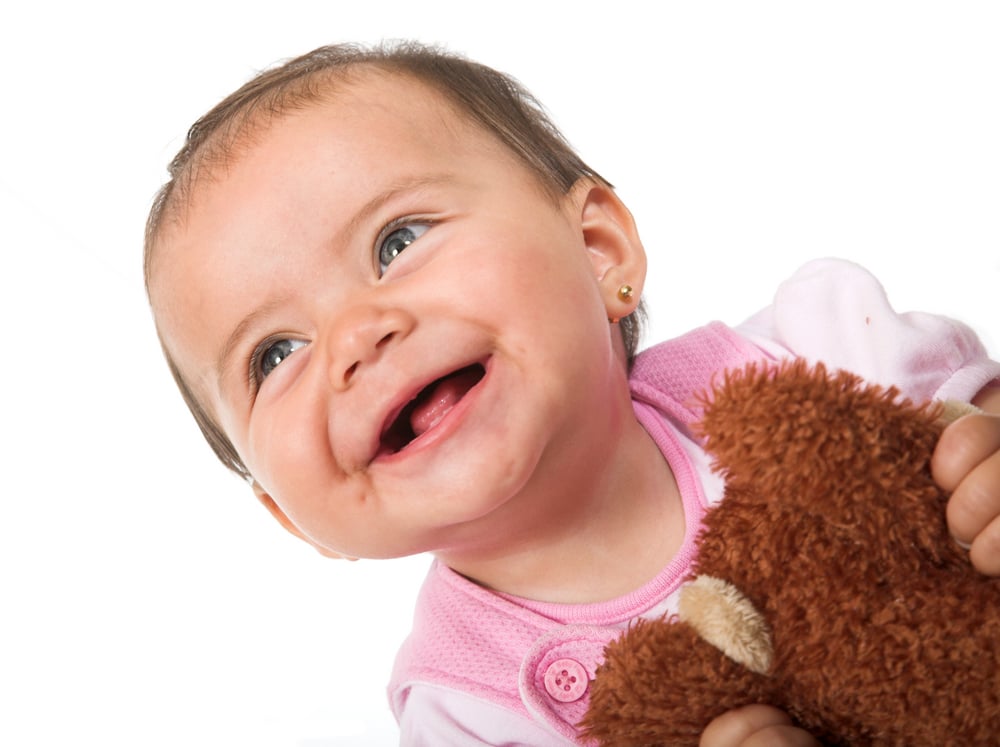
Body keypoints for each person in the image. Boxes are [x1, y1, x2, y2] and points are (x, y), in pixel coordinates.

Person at [143, 41, 1000, 746]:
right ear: (292, 517)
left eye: (397, 240)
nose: (354, 339)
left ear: (598, 250)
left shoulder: (814, 358)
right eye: (274, 353)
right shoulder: (462, 711)